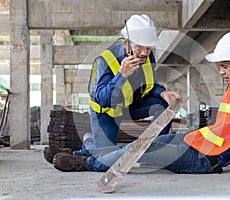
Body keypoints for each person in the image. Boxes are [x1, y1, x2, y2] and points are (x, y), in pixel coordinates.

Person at [52, 31, 230, 181]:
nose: (221, 72)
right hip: (197, 142)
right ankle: (88, 149)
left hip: (206, 159)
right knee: (141, 144)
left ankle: (86, 161)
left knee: (141, 152)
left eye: (225, 66)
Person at [43, 14, 180, 164]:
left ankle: (154, 151)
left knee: (163, 104)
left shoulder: (148, 57)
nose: (144, 53)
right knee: (107, 158)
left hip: (130, 105)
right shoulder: (106, 60)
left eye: (148, 47)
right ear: (126, 44)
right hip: (107, 112)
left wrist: (163, 92)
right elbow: (102, 100)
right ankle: (78, 152)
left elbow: (150, 85)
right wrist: (121, 75)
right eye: (139, 47)